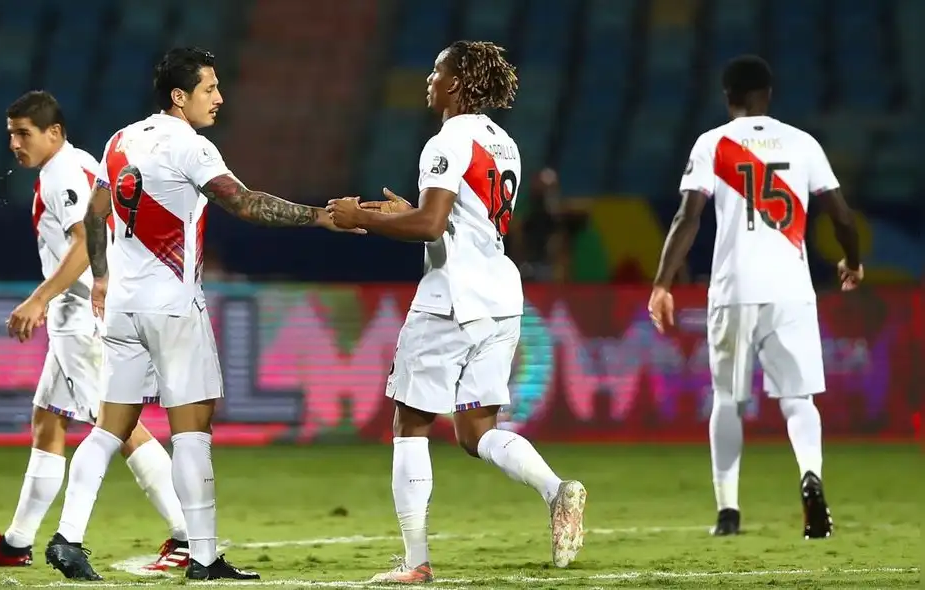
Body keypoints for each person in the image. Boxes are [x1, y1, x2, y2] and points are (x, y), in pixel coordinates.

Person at [43, 47, 361, 582]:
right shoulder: (190, 146)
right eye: (209, 88)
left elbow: (96, 214)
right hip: (173, 309)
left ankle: (67, 538)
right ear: (179, 95)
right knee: (192, 431)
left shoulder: (119, 140)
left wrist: (100, 276)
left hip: (122, 308)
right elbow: (245, 203)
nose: (219, 98)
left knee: (109, 428)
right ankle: (205, 558)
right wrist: (320, 217)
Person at [327, 40, 587, 583]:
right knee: (476, 430)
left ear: (459, 83)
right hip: (500, 297)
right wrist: (411, 213)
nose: (429, 79)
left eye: (437, 70)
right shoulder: (504, 143)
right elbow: (457, 222)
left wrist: (362, 217)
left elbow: (428, 225)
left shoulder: (447, 140)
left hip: (452, 298)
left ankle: (415, 562)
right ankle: (555, 490)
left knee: (410, 422)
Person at [0, 91, 190, 573]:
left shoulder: (62, 173)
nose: (15, 144)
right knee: (48, 421)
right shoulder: (80, 163)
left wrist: (40, 298)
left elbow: (86, 243)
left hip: (81, 315)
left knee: (118, 424)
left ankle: (187, 533)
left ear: (54, 132)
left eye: (24, 134)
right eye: (11, 135)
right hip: (84, 311)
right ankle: (16, 543)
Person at [646, 55, 863, 539]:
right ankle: (811, 477)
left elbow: (687, 217)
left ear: (728, 97)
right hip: (791, 289)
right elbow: (842, 216)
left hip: (734, 289)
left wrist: (662, 283)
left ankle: (728, 512)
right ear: (769, 94)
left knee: (728, 400)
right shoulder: (803, 143)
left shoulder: (713, 143)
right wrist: (852, 260)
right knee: (798, 399)